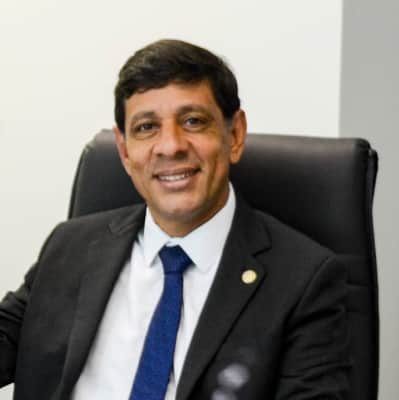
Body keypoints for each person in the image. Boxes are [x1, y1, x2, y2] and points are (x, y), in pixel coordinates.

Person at [0, 39, 349, 399]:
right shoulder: (71, 246)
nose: (171, 146)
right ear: (124, 150)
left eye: (193, 121)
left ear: (235, 135)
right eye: (146, 127)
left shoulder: (304, 280)